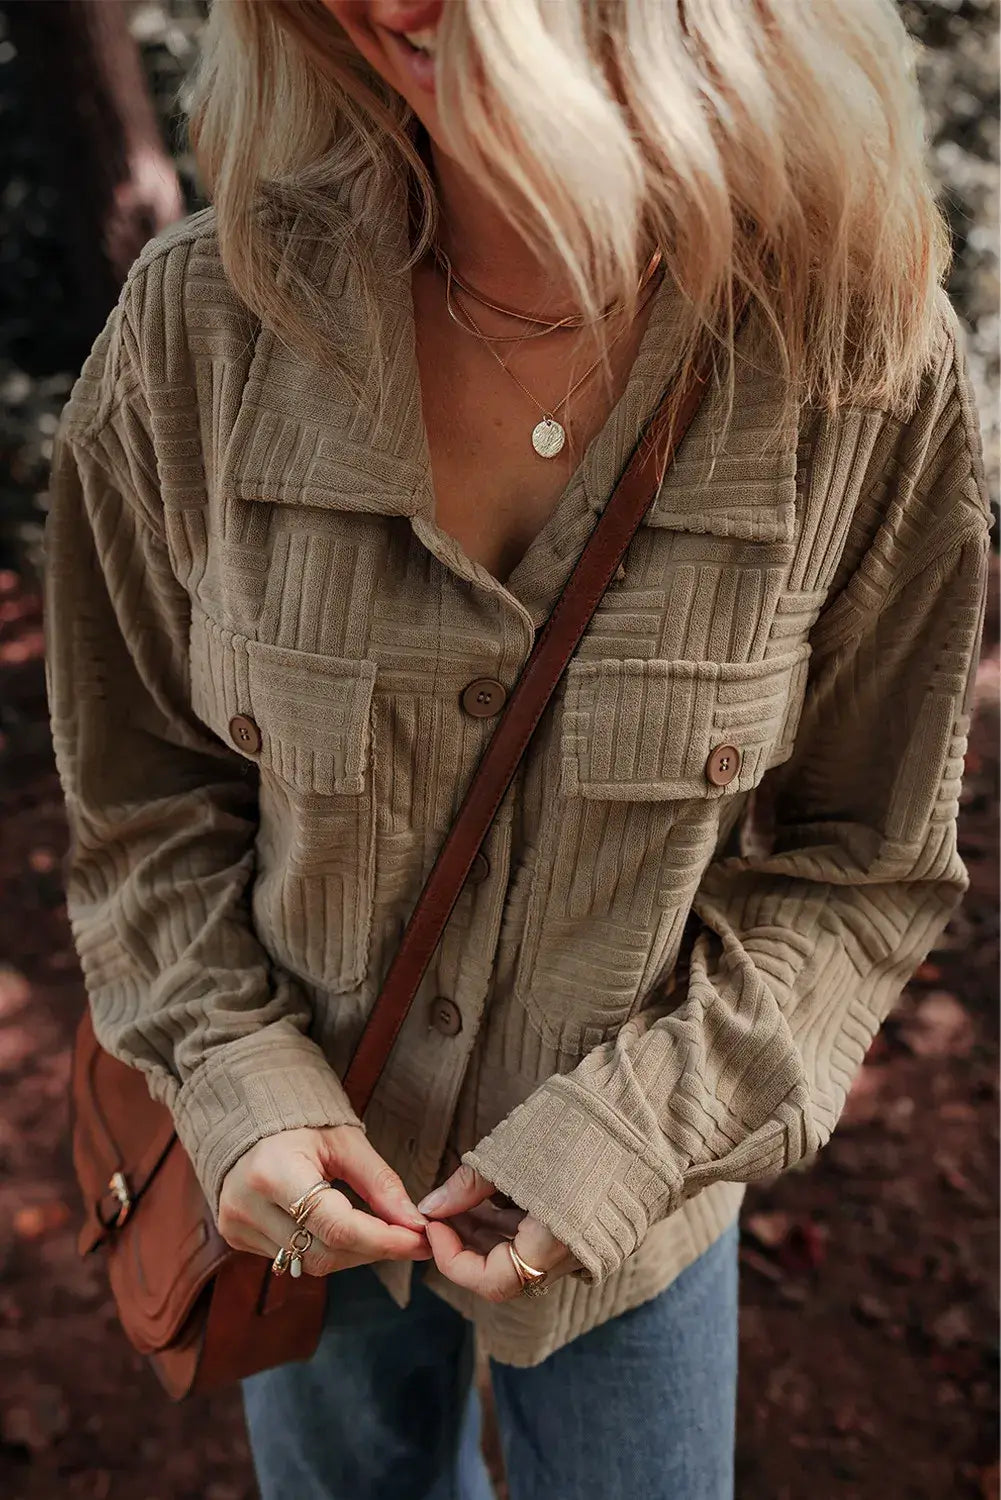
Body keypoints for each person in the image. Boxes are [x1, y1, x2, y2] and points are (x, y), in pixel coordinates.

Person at [44, 2, 991, 1497]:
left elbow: (856, 871)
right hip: (296, 1195)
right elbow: (140, 801)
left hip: (636, 1223)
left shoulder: (855, 365)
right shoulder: (200, 329)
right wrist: (237, 1080)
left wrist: (620, 1147)